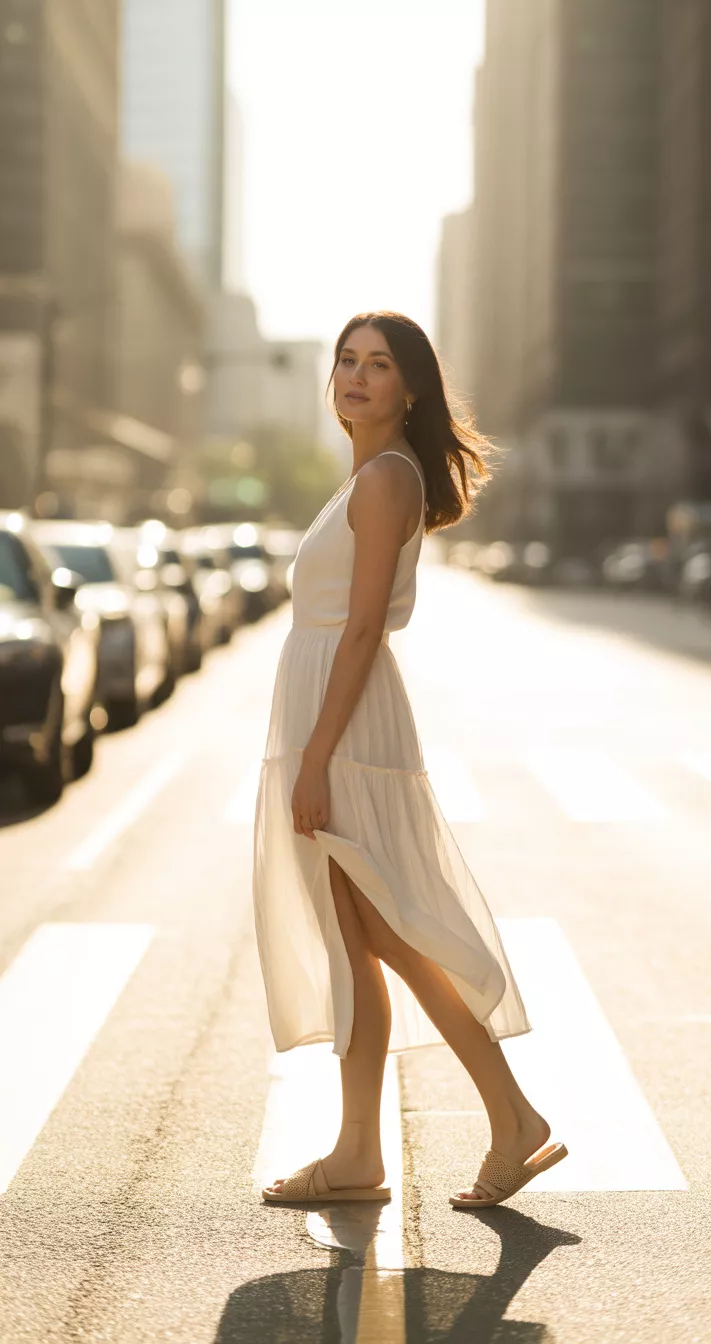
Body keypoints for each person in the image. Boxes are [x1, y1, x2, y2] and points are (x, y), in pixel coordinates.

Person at [252, 311, 567, 1209]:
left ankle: (508, 1118)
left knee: (386, 929)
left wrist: (317, 758)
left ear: (411, 388)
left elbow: (359, 631)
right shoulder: (369, 476)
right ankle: (362, 1151)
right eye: (347, 360)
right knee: (358, 939)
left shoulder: (388, 477)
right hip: (331, 719)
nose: (356, 377)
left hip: (345, 728)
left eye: (378, 364)